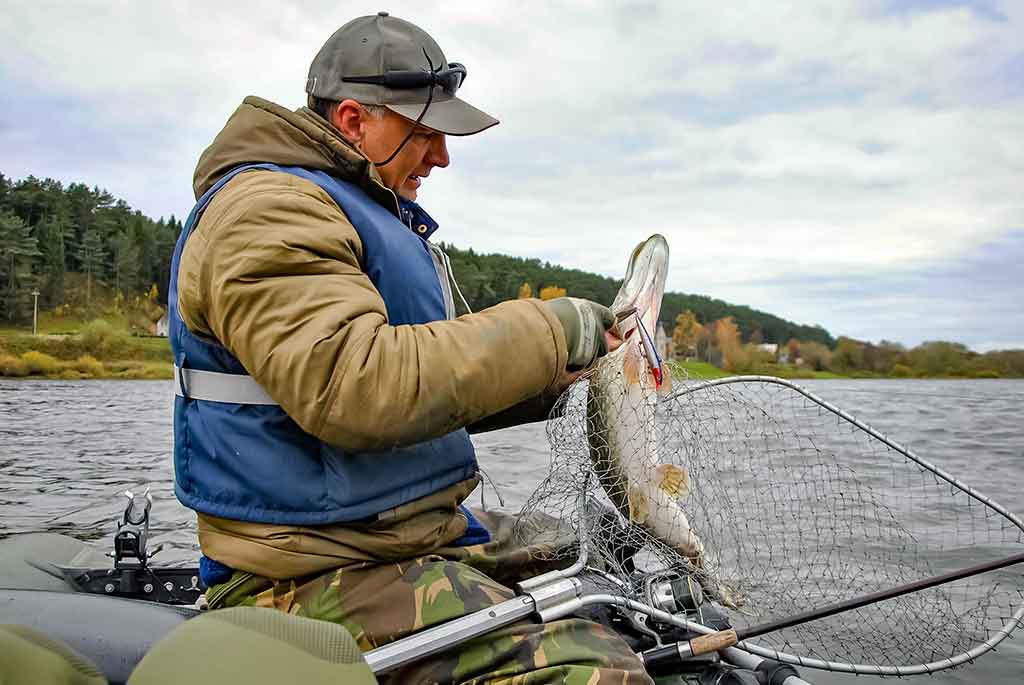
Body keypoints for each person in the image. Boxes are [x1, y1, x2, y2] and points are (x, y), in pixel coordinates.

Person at [170, 12, 650, 684]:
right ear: (352, 120)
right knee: (600, 671)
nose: (442, 155)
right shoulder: (268, 210)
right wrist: (545, 328)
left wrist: (556, 371)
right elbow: (355, 387)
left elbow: (427, 389)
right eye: (424, 132)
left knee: (588, 556)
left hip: (396, 533)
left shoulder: (350, 210)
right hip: (307, 566)